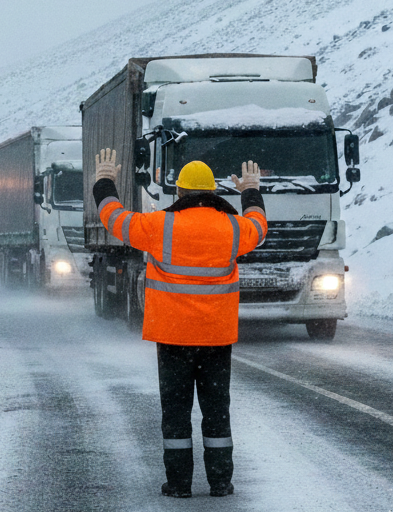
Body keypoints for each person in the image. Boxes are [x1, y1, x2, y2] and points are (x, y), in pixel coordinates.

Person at [92, 148, 267, 498]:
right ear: (213, 193)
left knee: (176, 412)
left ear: (180, 192)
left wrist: (104, 183)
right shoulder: (233, 228)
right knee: (217, 412)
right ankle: (220, 482)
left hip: (172, 338)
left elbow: (114, 219)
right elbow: (260, 228)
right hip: (216, 338)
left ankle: (179, 484)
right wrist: (250, 190)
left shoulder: (160, 226)